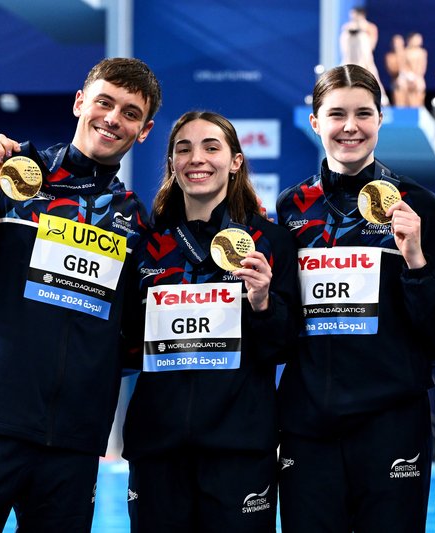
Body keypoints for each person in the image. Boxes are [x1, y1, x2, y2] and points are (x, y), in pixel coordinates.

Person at [0, 57, 161, 531]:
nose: (113, 118)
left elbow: (132, 337)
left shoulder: (133, 222)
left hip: (73, 442)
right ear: (79, 103)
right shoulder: (11, 179)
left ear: (144, 131)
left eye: (130, 113)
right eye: (104, 102)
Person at [276, 64, 435, 532]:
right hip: (309, 423)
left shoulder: (418, 204)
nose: (350, 126)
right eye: (336, 114)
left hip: (391, 420)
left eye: (363, 113)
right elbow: (285, 322)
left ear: (380, 119)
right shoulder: (291, 209)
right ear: (315, 123)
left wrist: (414, 258)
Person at [120, 111, 301, 532]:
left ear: (236, 161)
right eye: (183, 149)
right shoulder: (148, 245)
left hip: (239, 451)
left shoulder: (269, 243)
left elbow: (286, 347)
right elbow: (124, 342)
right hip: (157, 448)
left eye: (211, 147)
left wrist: (261, 302)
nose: (196, 158)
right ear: (171, 164)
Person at [339, 6, 390, 106]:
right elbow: (343, 45)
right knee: (342, 76)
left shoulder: (370, 27)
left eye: (354, 14)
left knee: (372, 74)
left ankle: (382, 98)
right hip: (350, 58)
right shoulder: (347, 27)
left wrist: (361, 32)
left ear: (361, 15)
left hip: (365, 58)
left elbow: (372, 45)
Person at [385, 32, 428, 108]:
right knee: (401, 86)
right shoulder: (405, 52)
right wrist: (408, 76)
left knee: (419, 87)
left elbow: (422, 67)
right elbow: (403, 66)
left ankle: (417, 109)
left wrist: (416, 77)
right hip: (406, 76)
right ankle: (401, 110)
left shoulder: (422, 52)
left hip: (417, 77)